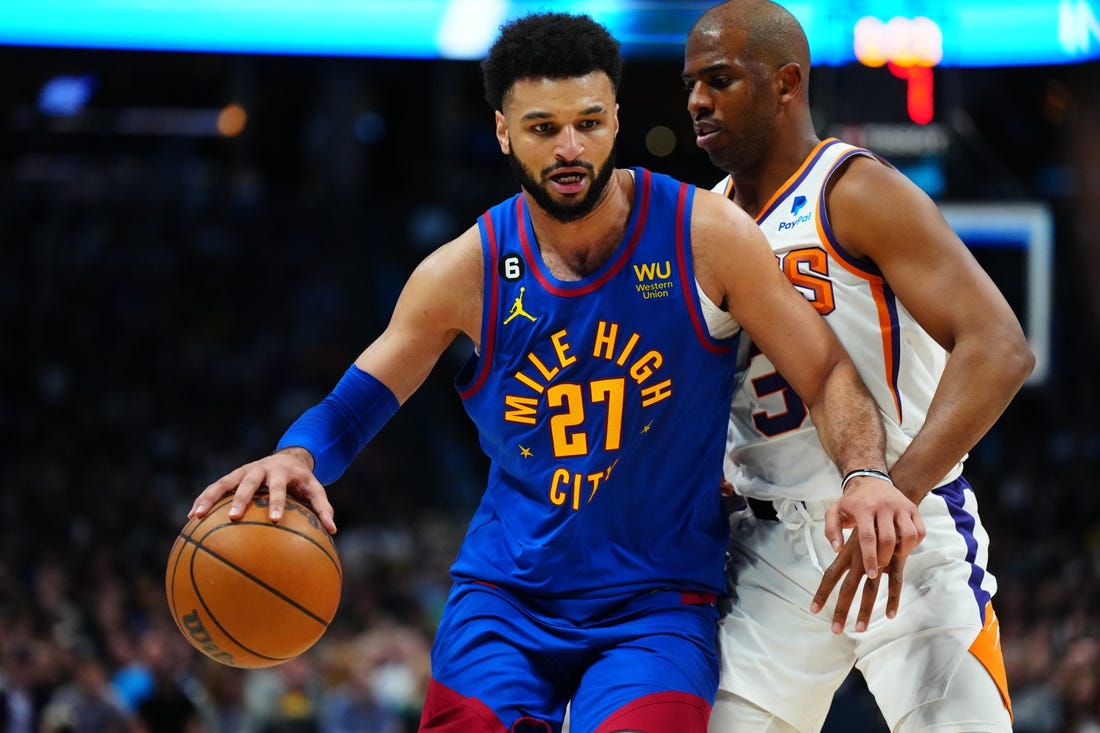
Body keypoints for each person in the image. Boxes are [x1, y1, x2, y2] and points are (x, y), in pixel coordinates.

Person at [190, 12, 916, 733]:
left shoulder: (704, 234)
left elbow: (824, 372)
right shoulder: (464, 272)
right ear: (505, 131)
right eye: (543, 128)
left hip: (657, 605)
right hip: (507, 598)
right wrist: (296, 453)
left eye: (590, 122)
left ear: (616, 120)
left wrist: (865, 473)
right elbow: (354, 408)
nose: (571, 147)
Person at [681, 2, 1036, 732]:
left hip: (909, 530)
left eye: (719, 79)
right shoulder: (705, 225)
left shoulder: (852, 189)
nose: (695, 100)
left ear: (786, 84)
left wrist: (892, 493)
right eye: (690, 83)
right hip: (770, 549)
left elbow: (1000, 346)